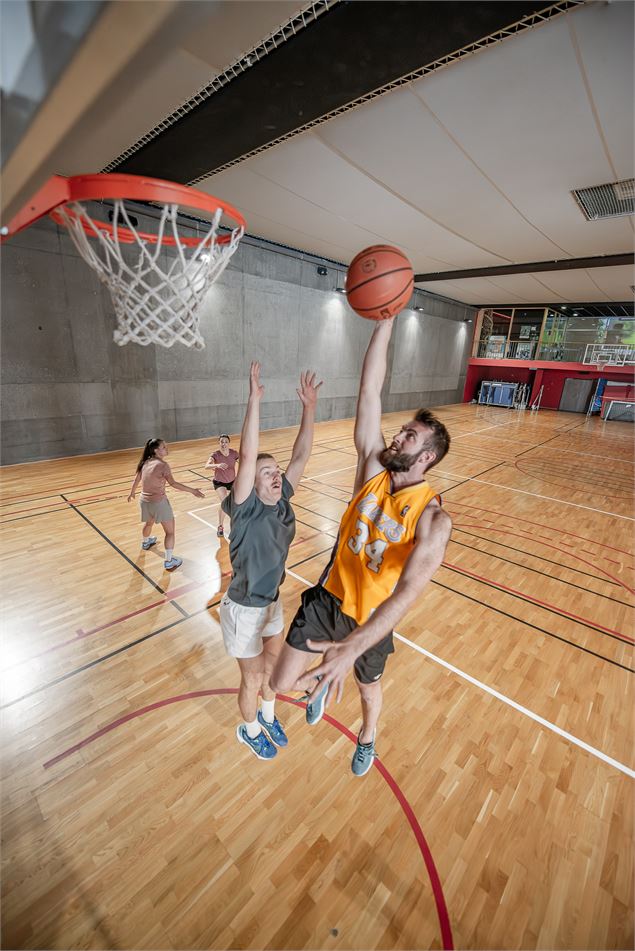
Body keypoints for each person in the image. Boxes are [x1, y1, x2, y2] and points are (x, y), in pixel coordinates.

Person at [270, 317, 452, 776]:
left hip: (371, 620)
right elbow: (370, 391)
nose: (397, 436)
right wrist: (386, 321)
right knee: (280, 683)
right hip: (328, 598)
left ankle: (367, 736)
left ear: (426, 457)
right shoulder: (372, 465)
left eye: (409, 436)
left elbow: (407, 593)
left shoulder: (433, 518)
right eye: (402, 430)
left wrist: (351, 647)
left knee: (369, 689)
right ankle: (323, 682)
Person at [221, 362, 322, 761]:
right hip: (243, 608)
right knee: (255, 676)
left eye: (276, 471)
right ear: (250, 480)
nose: (275, 475)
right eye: (266, 472)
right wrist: (254, 400)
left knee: (275, 668)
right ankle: (248, 730)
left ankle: (267, 714)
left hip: (272, 602)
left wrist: (309, 408)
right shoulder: (244, 507)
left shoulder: (282, 500)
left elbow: (301, 453)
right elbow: (247, 456)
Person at [128, 438, 204, 571]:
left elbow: (137, 479)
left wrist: (132, 492)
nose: (166, 449)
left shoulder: (145, 462)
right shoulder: (163, 465)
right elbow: (173, 484)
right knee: (170, 532)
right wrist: (193, 491)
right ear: (156, 450)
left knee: (148, 523)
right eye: (164, 447)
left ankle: (146, 542)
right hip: (159, 503)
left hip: (144, 501)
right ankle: (169, 561)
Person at [205, 434, 239, 537]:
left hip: (232, 481)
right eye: (221, 442)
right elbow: (206, 466)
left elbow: (243, 461)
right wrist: (217, 465)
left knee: (237, 503)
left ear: (229, 443)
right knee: (225, 503)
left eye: (225, 442)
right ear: (219, 443)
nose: (223, 444)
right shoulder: (215, 454)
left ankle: (237, 525)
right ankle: (220, 526)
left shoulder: (234, 453)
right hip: (219, 482)